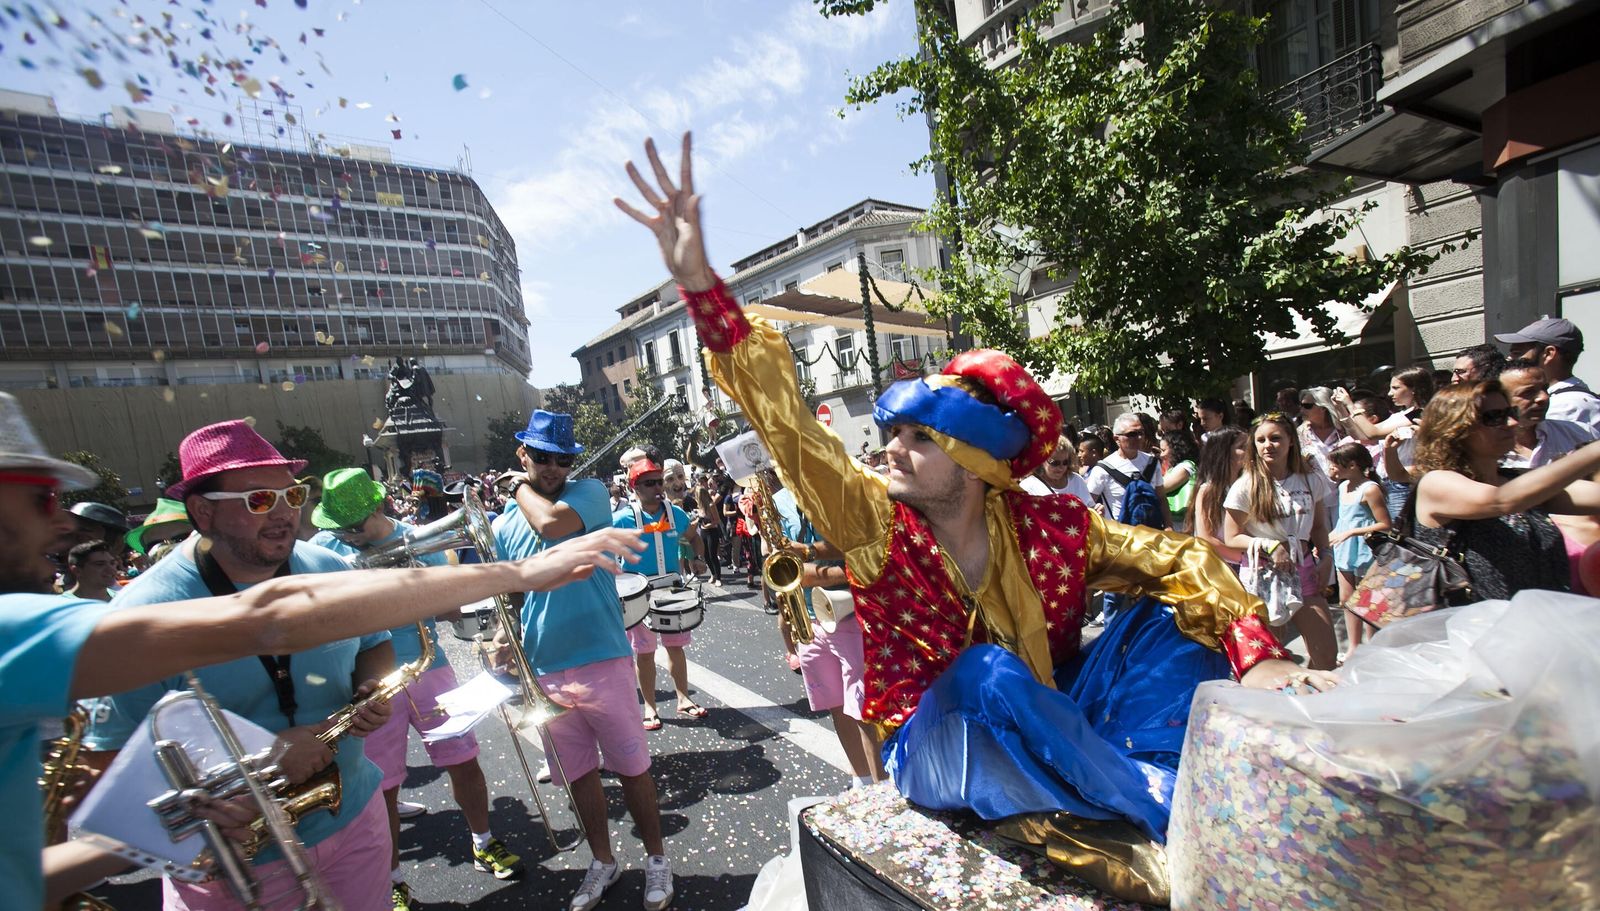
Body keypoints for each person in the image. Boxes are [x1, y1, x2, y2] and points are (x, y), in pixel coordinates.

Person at [617, 133, 1324, 900]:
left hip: (1050, 718)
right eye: (894, 432)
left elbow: (1183, 558)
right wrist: (704, 293)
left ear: (979, 466)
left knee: (1171, 617)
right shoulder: (876, 522)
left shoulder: (1056, 529)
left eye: (921, 438)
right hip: (932, 744)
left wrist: (1257, 650)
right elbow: (791, 432)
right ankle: (1165, 816)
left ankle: (1140, 787)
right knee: (988, 675)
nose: (892, 448)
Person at [0, 394, 642, 911]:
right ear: (200, 512)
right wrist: (518, 575)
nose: (282, 514)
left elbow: (368, 647)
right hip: (232, 876)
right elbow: (105, 784)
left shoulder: (316, 562)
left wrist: (367, 690)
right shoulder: (142, 603)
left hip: (350, 821)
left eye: (292, 497)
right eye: (258, 500)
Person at [307, 468, 520, 909]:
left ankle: (483, 840)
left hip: (428, 666)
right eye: (340, 529)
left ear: (378, 508)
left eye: (355, 526)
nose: (347, 537)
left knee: (463, 760)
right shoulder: (322, 551)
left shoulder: (417, 539)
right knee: (381, 784)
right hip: (365, 679)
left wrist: (422, 580)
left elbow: (451, 610)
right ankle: (392, 878)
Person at [490, 410, 676, 911]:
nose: (553, 468)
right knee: (577, 773)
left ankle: (657, 858)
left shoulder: (588, 493)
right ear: (523, 454)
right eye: (542, 457)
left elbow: (551, 527)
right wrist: (502, 642)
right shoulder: (504, 524)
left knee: (632, 767)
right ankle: (603, 860)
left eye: (561, 459)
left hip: (602, 656)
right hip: (545, 665)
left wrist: (515, 488)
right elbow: (511, 591)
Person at [1410, 380, 1600, 600]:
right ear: (1456, 427)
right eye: (1494, 417)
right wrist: (1594, 452)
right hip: (1475, 628)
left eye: (1511, 412)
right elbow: (1502, 501)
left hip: (1541, 625)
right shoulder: (1437, 483)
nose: (1511, 423)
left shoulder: (1517, 480)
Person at [1222, 413, 1339, 671]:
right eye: (1261, 440)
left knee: (1327, 654)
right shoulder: (1245, 486)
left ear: (1290, 442)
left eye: (1275, 438)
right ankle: (1280, 705)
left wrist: (1328, 557)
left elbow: (1319, 526)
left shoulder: (1310, 480)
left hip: (1305, 569)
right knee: (1271, 659)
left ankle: (1316, 704)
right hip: (1264, 576)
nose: (1268, 445)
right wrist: (1270, 545)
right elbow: (1231, 537)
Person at [613, 457, 707, 729]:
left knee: (676, 648)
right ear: (634, 487)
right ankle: (650, 709)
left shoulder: (675, 513)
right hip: (639, 594)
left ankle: (684, 698)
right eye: (649, 483)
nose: (657, 487)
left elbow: (693, 537)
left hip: (671, 591)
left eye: (658, 481)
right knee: (644, 653)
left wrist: (699, 558)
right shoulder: (621, 519)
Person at [1334, 366, 1435, 518]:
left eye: (1395, 388)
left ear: (1414, 389)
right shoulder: (1402, 414)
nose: (1389, 393)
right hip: (1392, 482)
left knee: (1400, 534)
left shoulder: (1417, 414)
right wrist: (1341, 409)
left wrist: (1350, 405)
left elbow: (1372, 433)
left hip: (1405, 483)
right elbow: (1362, 435)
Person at [1325, 442, 1391, 655]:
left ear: (1352, 465)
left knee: (1368, 601)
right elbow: (1344, 520)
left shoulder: (1370, 489)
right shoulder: (1343, 487)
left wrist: (1352, 532)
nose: (1333, 469)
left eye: (1337, 465)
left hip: (1365, 550)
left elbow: (1385, 524)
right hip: (1344, 549)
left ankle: (1372, 645)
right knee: (1346, 599)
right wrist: (1327, 540)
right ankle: (1354, 646)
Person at [1495, 316, 1600, 431]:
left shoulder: (1563, 406)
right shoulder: (1571, 398)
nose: (1509, 359)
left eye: (1517, 353)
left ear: (1549, 353)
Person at [1496, 362, 1599, 470]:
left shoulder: (1582, 435)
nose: (1544, 397)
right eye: (1528, 392)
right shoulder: (1483, 450)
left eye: (1545, 388)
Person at [1084, 413, 1168, 524]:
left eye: (1141, 433)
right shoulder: (1102, 469)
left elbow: (1161, 498)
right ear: (1116, 439)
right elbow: (1088, 503)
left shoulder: (1152, 462)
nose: (1139, 437)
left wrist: (1168, 525)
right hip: (1121, 536)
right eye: (1132, 434)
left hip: (1150, 533)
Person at [1191, 428, 1249, 566]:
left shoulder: (1246, 485)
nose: (1249, 452)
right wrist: (1244, 559)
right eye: (1242, 447)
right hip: (1222, 567)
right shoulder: (1209, 490)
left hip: (1247, 562)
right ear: (1224, 453)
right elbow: (1206, 538)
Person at [1020, 431, 1092, 502]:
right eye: (1055, 463)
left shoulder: (1076, 480)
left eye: (1065, 462)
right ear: (1041, 460)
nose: (1061, 467)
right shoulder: (1027, 486)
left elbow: (1090, 508)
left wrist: (1098, 510)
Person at [1158, 430, 1199, 533]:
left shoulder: (1186, 466)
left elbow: (1162, 487)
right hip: (1175, 522)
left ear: (1175, 449)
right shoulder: (1172, 468)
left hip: (1183, 524)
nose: (1161, 455)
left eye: (1163, 450)